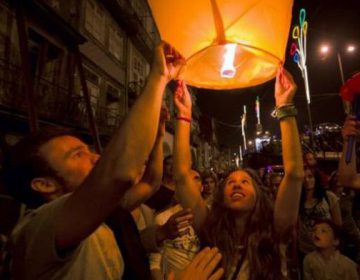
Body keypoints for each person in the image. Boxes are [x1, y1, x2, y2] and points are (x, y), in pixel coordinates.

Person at [5, 42, 185, 280]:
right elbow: (118, 174)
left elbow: (151, 181)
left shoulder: (102, 212)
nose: (97, 157)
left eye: (89, 150)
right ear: (45, 184)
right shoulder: (37, 230)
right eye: (77, 154)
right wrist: (158, 78)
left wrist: (160, 135)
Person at [173, 67, 304, 279]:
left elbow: (295, 174)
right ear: (220, 196)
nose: (236, 184)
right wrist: (184, 115)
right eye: (231, 182)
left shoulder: (276, 227)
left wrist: (285, 105)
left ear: (259, 195)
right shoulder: (209, 229)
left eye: (245, 182)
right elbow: (180, 175)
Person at [298, 166, 342, 257]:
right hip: (305, 249)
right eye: (303, 178)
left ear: (316, 178)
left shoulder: (329, 197)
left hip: (326, 249)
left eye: (310, 176)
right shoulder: (298, 200)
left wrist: (336, 247)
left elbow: (338, 224)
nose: (306, 180)